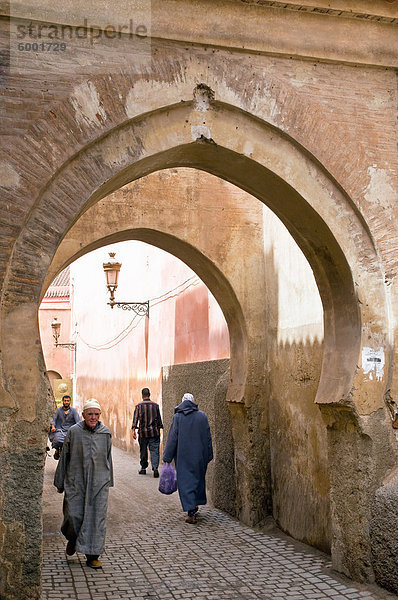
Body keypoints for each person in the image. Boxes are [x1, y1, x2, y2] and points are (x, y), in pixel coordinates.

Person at [54, 398, 113, 570]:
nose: (93, 417)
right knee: (73, 515)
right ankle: (72, 539)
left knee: (96, 520)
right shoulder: (74, 432)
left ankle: (93, 555)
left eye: (96, 414)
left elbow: (108, 459)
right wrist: (60, 482)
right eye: (90, 414)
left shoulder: (105, 433)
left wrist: (109, 480)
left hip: (98, 484)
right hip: (76, 482)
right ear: (83, 415)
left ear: (99, 415)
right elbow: (64, 457)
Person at [163, 392, 213, 524]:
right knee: (197, 481)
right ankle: (194, 505)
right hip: (199, 456)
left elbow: (172, 438)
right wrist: (209, 454)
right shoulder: (202, 416)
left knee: (186, 483)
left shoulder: (178, 417)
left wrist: (167, 456)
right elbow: (208, 437)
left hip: (184, 457)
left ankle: (191, 512)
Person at [131, 387, 163, 477]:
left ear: (142, 395)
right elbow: (159, 420)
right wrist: (159, 428)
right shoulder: (155, 406)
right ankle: (155, 468)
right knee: (154, 451)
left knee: (143, 451)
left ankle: (143, 468)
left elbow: (135, 419)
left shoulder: (138, 406)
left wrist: (133, 430)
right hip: (154, 432)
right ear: (149, 394)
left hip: (143, 433)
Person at [50, 395, 80, 459]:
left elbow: (78, 421)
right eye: (65, 401)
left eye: (68, 401)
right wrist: (53, 427)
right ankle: (57, 450)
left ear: (70, 402)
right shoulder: (58, 410)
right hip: (60, 430)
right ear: (62, 401)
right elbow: (54, 420)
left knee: (74, 442)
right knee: (57, 439)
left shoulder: (73, 410)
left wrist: (78, 429)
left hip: (70, 431)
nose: (66, 402)